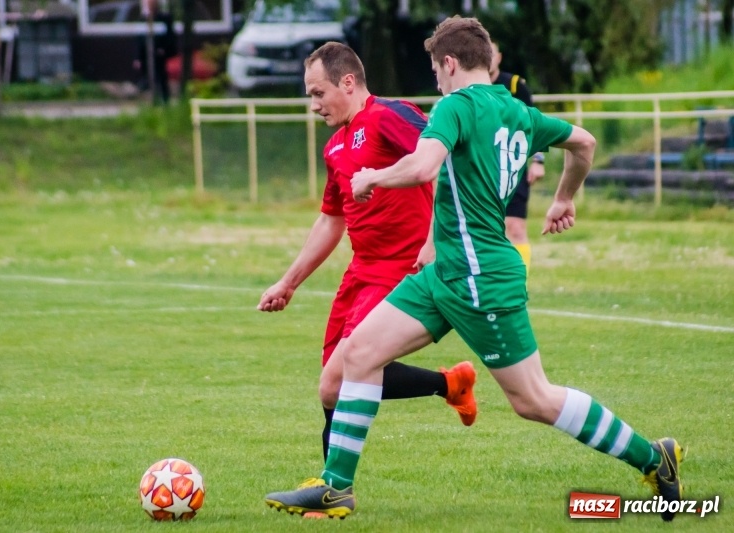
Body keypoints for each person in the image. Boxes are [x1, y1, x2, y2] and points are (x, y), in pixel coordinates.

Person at [264, 16, 684, 522]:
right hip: (443, 273)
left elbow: (422, 167)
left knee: (533, 399)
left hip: (482, 277)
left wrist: (374, 175)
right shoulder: (520, 112)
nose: (436, 82)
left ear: (449, 64)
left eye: (435, 71)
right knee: (359, 354)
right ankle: (336, 488)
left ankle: (652, 456)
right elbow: (585, 143)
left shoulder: (455, 106)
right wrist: (563, 199)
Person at [257, 41, 478, 464]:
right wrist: (288, 283)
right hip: (361, 272)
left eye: (318, 94)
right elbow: (331, 220)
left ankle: (331, 488)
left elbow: (448, 159)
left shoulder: (389, 116)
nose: (314, 106)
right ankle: (449, 385)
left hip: (403, 270)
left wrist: (436, 238)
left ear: (348, 81)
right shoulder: (335, 148)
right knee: (332, 385)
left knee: (337, 380)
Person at [490, 40, 545, 274]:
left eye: (491, 53)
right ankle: (496, 279)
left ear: (499, 57)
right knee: (492, 229)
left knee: (515, 227)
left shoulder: (514, 85)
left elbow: (534, 124)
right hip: (486, 167)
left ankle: (520, 281)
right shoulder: (471, 89)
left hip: (514, 165)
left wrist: (538, 160)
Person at [133, 0, 177, 104]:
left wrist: (164, 49)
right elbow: (139, 41)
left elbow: (170, 37)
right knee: (146, 77)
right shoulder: (143, 20)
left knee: (161, 76)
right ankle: (151, 99)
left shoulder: (164, 19)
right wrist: (137, 57)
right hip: (146, 56)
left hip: (159, 55)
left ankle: (165, 100)